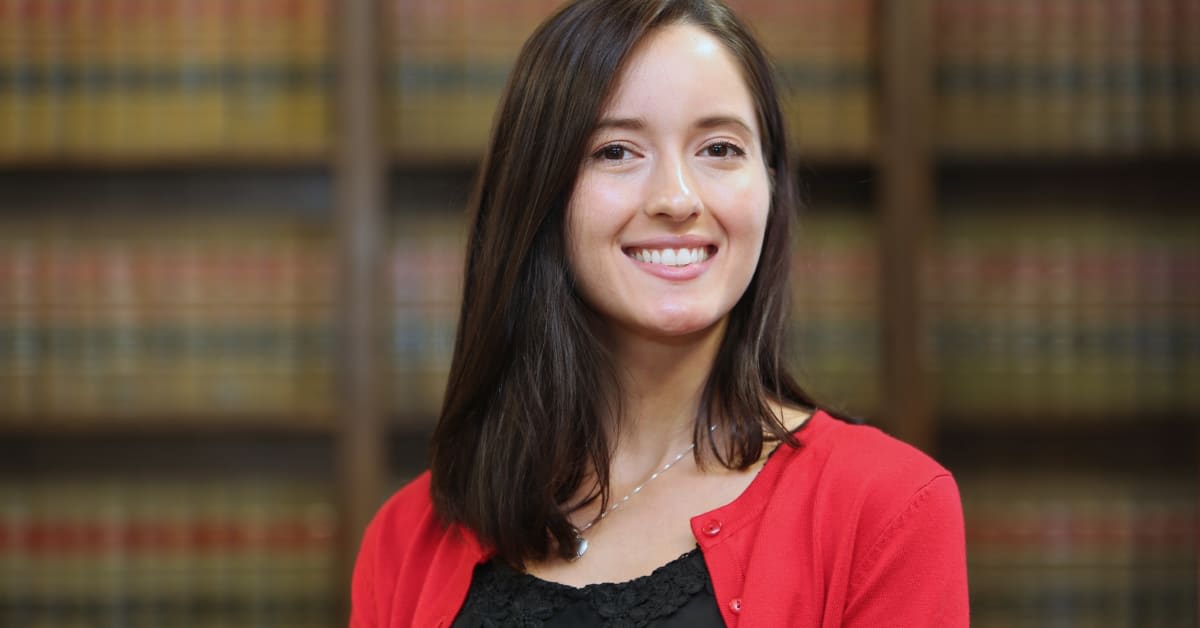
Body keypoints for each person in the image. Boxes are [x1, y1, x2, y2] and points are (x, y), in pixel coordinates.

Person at [351, 1, 968, 626]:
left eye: (720, 147)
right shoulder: (409, 537)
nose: (676, 198)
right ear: (536, 194)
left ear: (771, 185)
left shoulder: (887, 509)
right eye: (616, 151)